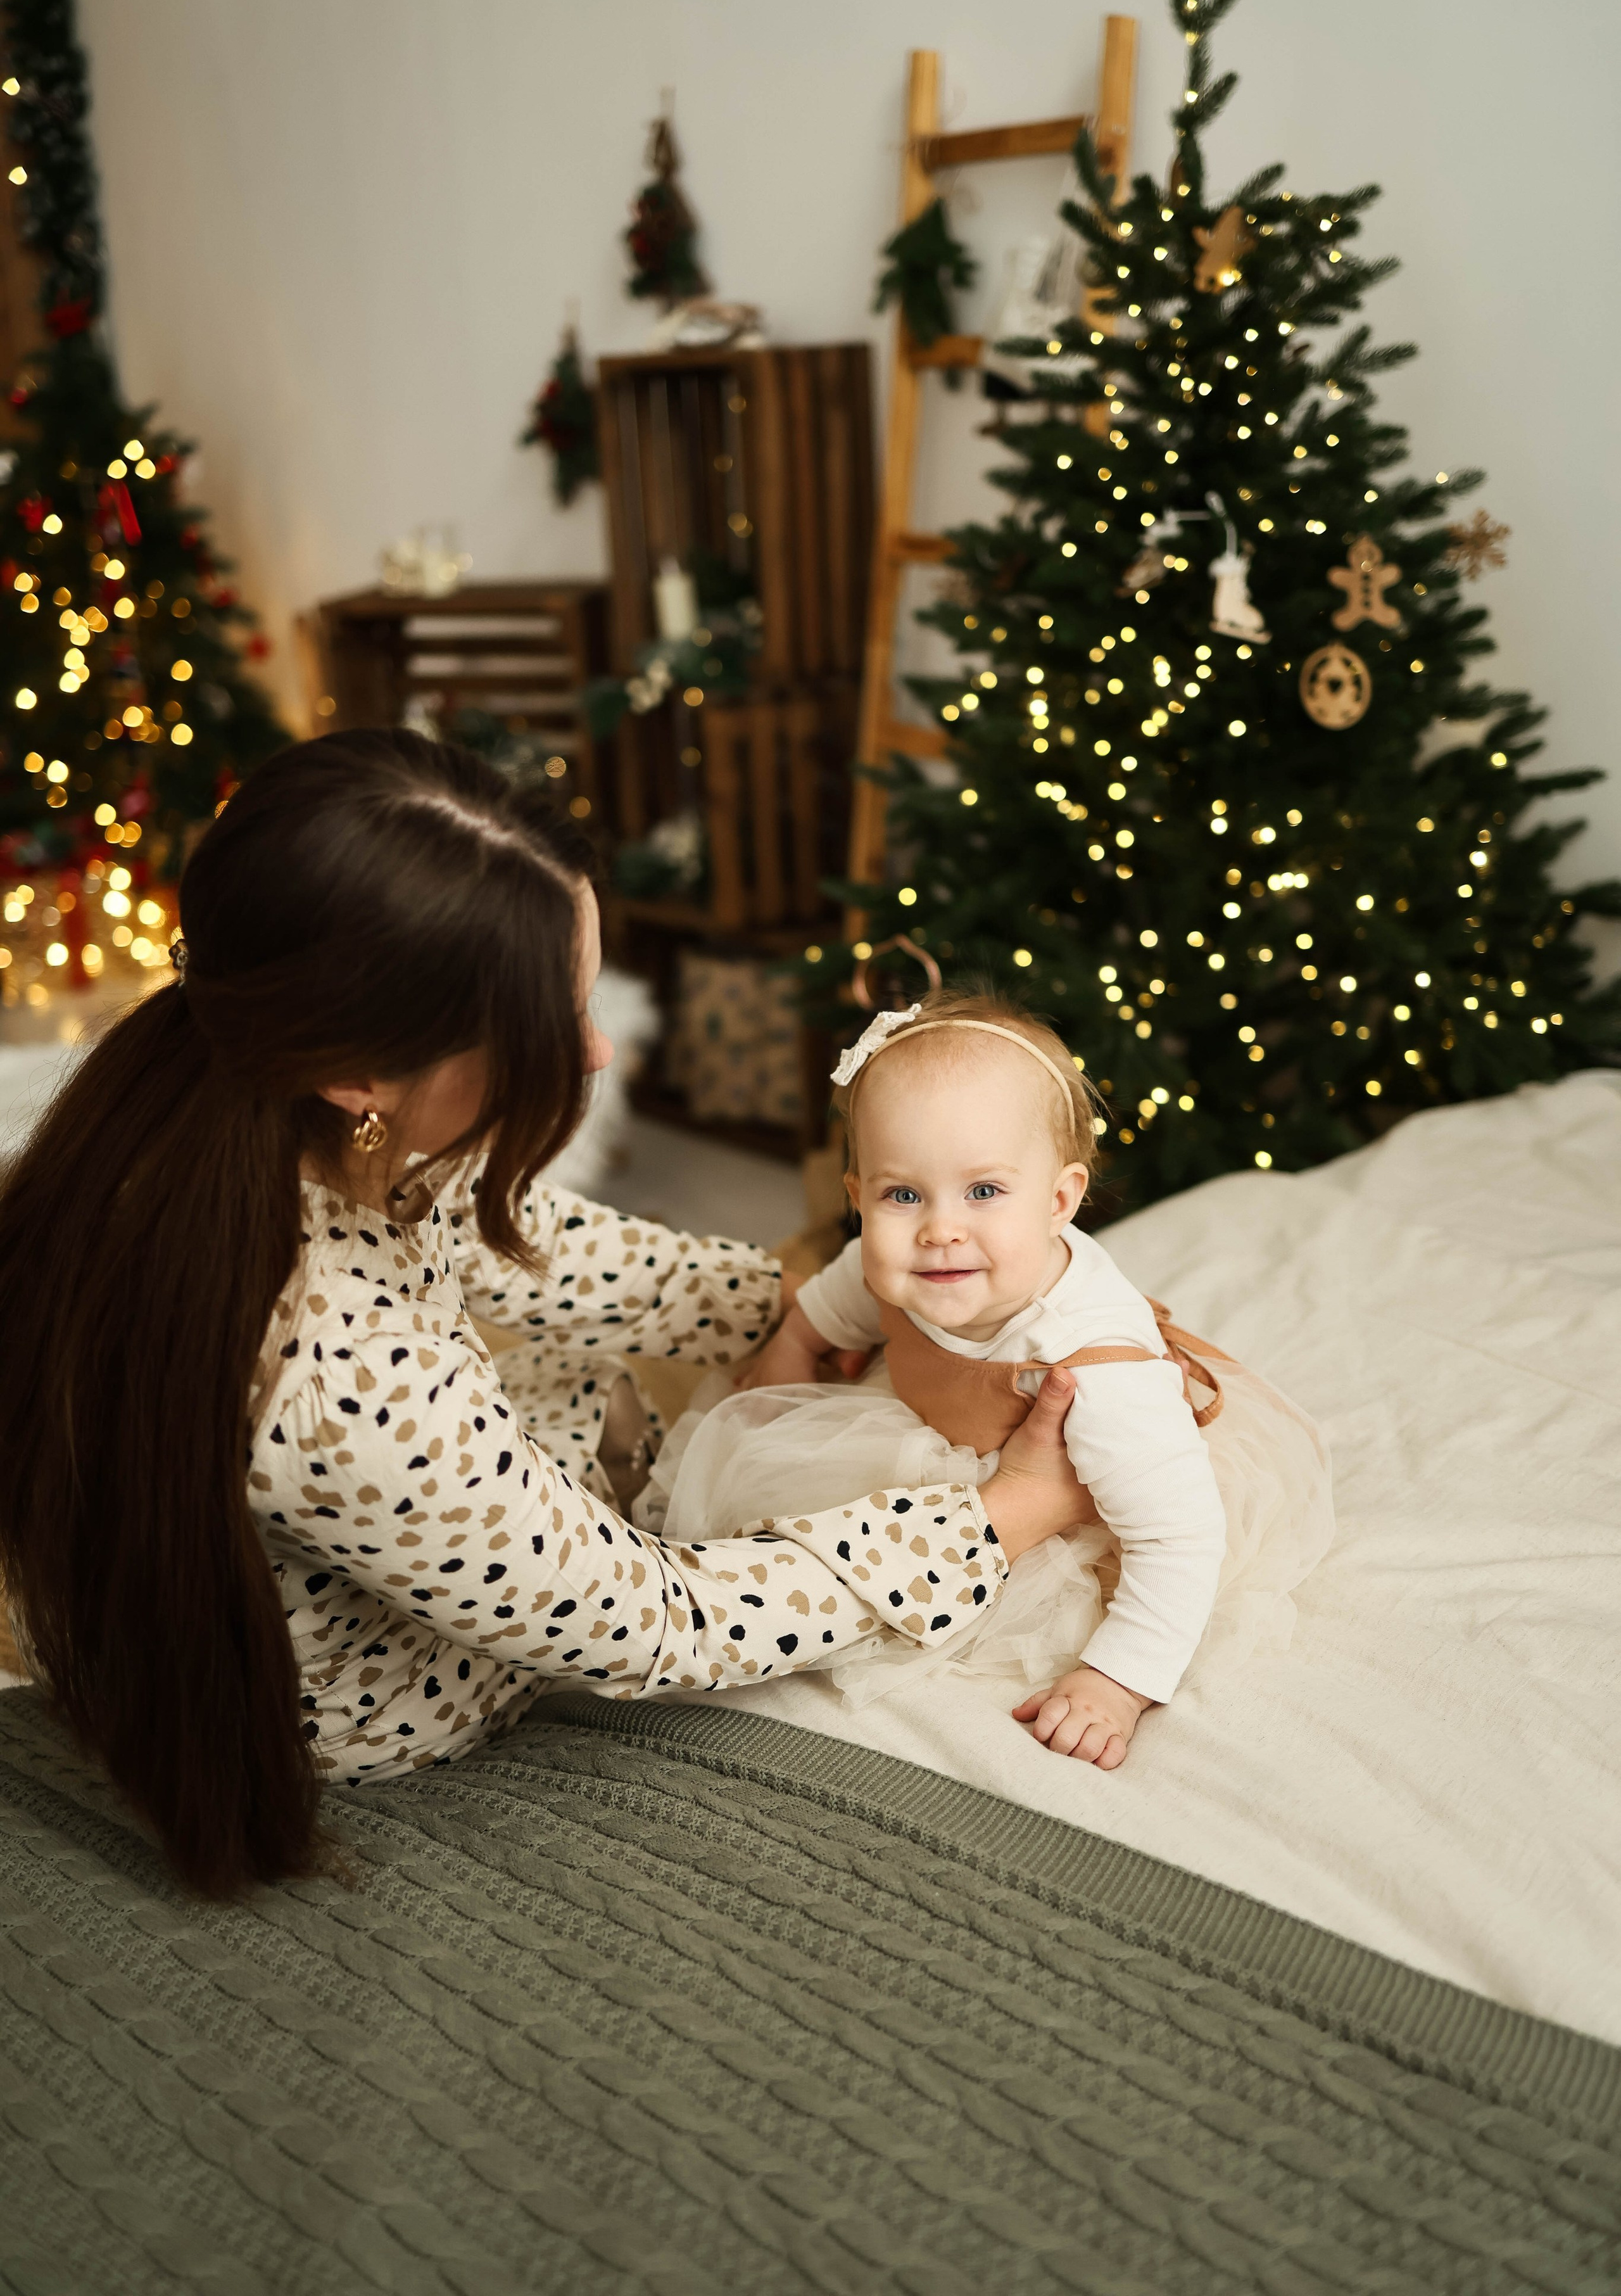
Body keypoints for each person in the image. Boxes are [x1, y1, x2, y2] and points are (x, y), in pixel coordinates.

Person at [0, 733, 1092, 1900]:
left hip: (371, 1533)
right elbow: (663, 1622)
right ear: (360, 1074)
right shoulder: (339, 1386)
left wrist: (833, 1295)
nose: (597, 1048)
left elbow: (536, 1243)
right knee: (767, 1499)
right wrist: (1001, 1517)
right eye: (551, 1022)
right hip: (390, 1702)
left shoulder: (258, 1103)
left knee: (657, 1392)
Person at [652, 993, 1334, 1769]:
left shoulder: (1098, 1366)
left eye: (983, 1191)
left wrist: (1120, 1680)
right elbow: (849, 1286)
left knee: (1020, 1585)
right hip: (937, 1438)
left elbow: (1178, 1536)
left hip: (1067, 1506)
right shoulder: (905, 1262)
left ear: (1060, 1200)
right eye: (901, 1194)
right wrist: (796, 1345)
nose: (940, 1230)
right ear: (858, 1197)